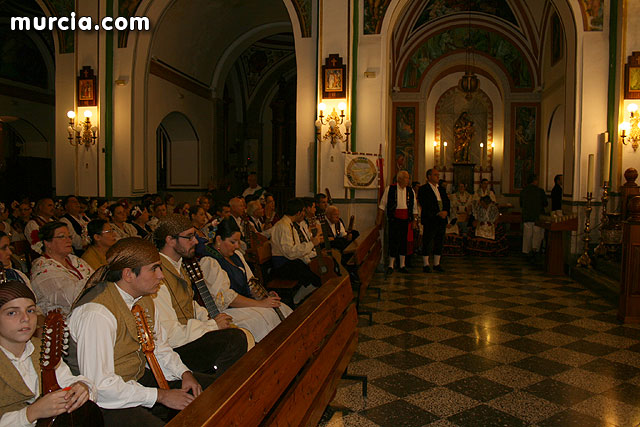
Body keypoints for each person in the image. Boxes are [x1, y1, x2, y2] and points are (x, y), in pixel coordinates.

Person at [66, 238, 214, 425]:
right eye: (154, 268)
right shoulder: (96, 313)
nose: (161, 275)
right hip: (102, 404)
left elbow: (160, 347)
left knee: (213, 392)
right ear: (128, 274)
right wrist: (161, 396)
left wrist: (184, 373)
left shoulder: (143, 298)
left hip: (135, 381)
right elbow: (100, 385)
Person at [152, 215, 250, 375]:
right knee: (235, 339)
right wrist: (211, 326)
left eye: (195, 236)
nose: (196, 241)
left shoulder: (180, 265)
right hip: (174, 349)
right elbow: (169, 335)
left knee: (240, 332)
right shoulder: (156, 274)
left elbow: (191, 304)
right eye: (189, 237)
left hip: (188, 336)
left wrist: (210, 320)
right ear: (170, 240)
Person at [0, 280, 96, 426]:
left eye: (30, 310)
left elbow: (67, 379)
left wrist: (82, 387)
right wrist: (31, 413)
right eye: (12, 312)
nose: (25, 318)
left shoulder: (42, 348)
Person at [200, 218, 293, 342]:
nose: (237, 246)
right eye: (233, 242)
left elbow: (251, 282)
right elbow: (226, 298)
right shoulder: (209, 261)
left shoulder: (236, 255)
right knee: (265, 317)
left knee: (282, 308)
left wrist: (264, 296)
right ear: (218, 240)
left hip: (247, 304)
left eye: (238, 241)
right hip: (228, 311)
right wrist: (261, 304)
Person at [30, 222, 94, 315]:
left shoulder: (74, 260)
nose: (68, 240)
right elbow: (69, 297)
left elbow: (96, 277)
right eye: (62, 237)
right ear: (47, 243)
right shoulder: (42, 268)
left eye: (69, 237)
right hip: (62, 323)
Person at [270, 198, 323, 305]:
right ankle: (296, 301)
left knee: (316, 272)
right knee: (315, 279)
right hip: (282, 266)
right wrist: (312, 244)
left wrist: (308, 260)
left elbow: (297, 248)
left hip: (290, 261)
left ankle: (298, 300)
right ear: (298, 212)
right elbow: (290, 252)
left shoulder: (290, 224)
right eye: (303, 211)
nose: (304, 214)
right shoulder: (283, 226)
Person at [376, 170, 418, 274]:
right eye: (406, 178)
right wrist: (379, 220)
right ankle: (391, 265)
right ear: (399, 179)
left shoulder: (410, 191)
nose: (408, 180)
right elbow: (382, 205)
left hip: (406, 221)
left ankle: (402, 265)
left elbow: (414, 208)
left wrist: (414, 221)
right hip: (394, 220)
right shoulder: (390, 189)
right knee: (393, 241)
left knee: (403, 242)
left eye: (408, 178)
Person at [418, 168, 450, 273]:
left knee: (439, 241)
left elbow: (446, 202)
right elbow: (425, 204)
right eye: (435, 175)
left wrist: (445, 211)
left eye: (438, 175)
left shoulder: (441, 189)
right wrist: (437, 212)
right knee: (428, 241)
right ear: (429, 177)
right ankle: (426, 264)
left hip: (442, 219)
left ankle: (437, 263)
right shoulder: (423, 189)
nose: (438, 176)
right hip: (430, 219)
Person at [520, 174, 548, 256]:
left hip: (527, 216)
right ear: (535, 181)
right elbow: (545, 203)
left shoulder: (524, 191)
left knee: (527, 236)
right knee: (537, 236)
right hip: (537, 217)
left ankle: (526, 252)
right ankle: (535, 251)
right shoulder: (540, 191)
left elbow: (521, 204)